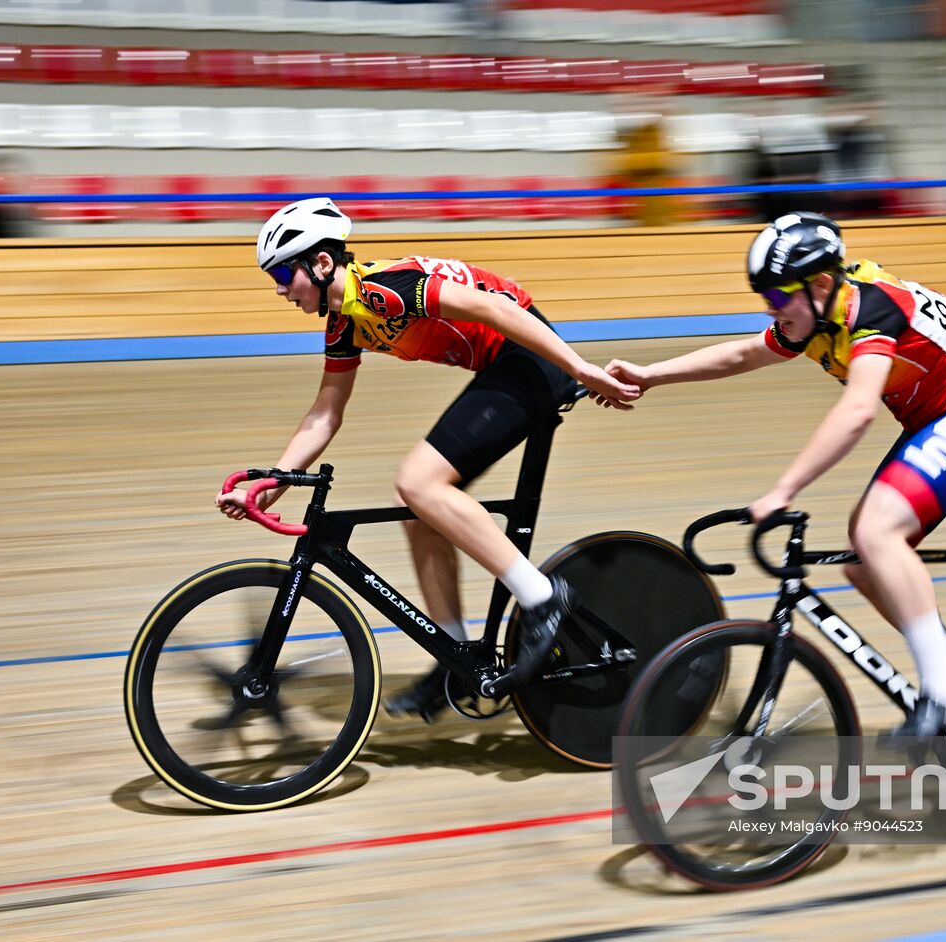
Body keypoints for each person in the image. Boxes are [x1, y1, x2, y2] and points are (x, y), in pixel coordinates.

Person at [600, 212, 946, 737]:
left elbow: (858, 411)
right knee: (864, 562)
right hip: (934, 421)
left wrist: (784, 490)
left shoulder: (872, 310)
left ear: (821, 284)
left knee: (876, 533)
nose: (770, 309)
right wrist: (651, 375)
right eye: (765, 298)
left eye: (777, 297)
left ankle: (944, 694)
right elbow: (743, 353)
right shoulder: (820, 316)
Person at [219, 197, 641, 722]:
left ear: (322, 263)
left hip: (530, 357)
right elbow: (326, 413)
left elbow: (498, 310)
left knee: (419, 482)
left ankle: (543, 597)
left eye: (284, 273)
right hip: (506, 365)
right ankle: (456, 660)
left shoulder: (386, 289)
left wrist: (581, 369)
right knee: (420, 510)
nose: (280, 288)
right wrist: (272, 484)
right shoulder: (345, 321)